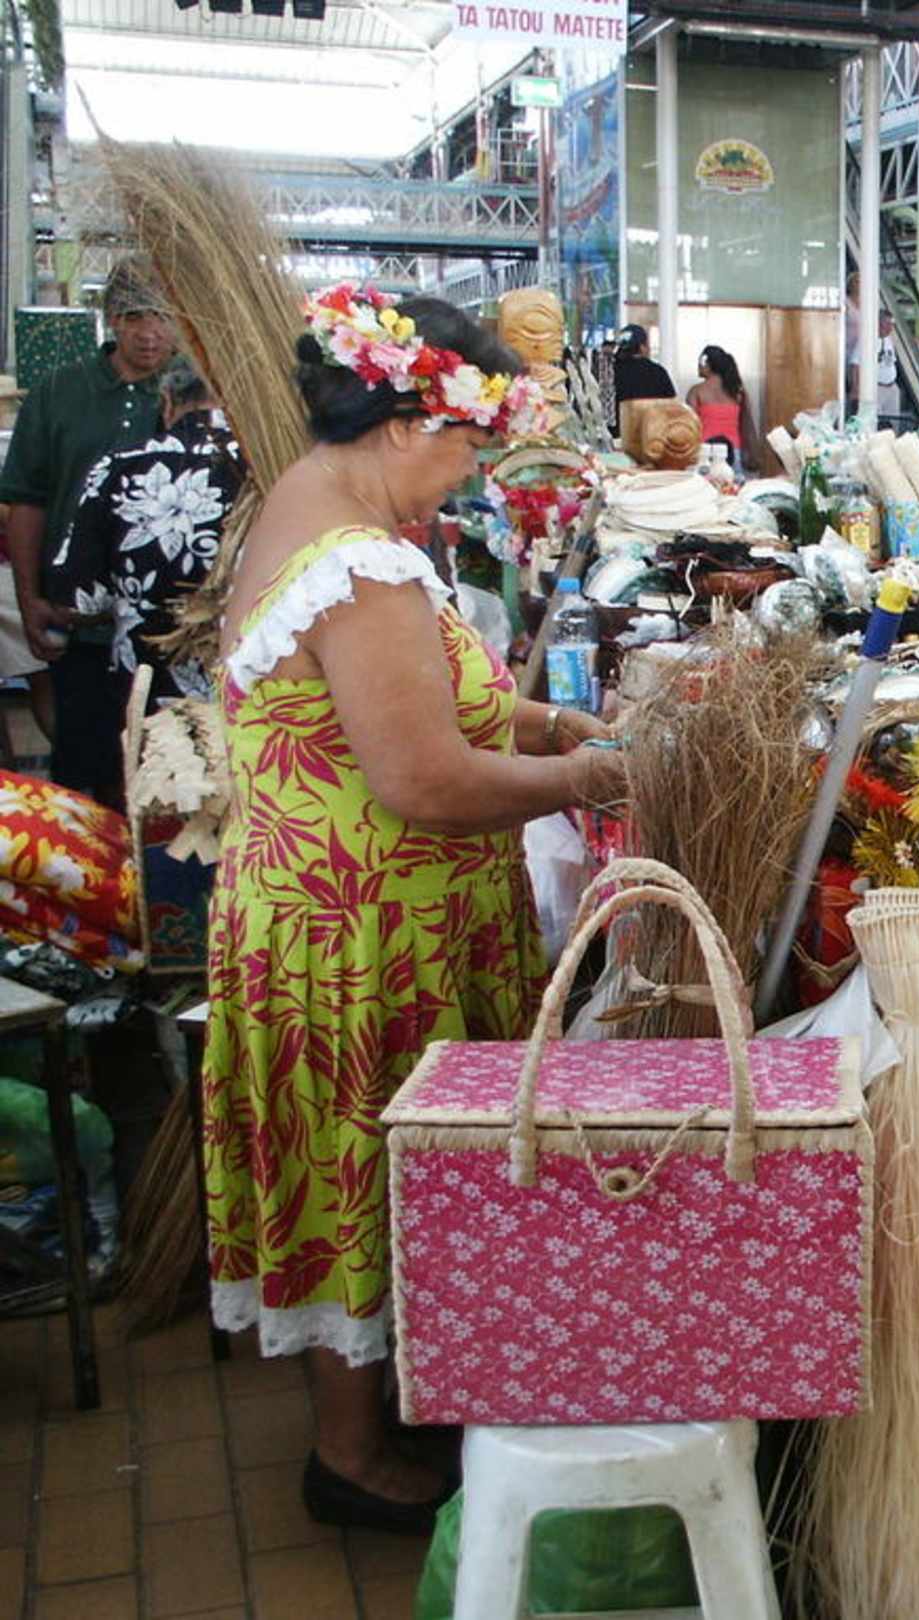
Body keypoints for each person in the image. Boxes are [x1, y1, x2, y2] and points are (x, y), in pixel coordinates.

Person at [201, 286, 625, 1533]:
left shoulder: (305, 504)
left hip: (322, 914)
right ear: (402, 426)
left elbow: (407, 705)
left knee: (370, 1173)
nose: (469, 476)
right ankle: (349, 1457)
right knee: (360, 1173)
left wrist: (550, 723)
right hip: (366, 938)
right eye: (466, 448)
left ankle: (400, 1396)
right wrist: (592, 779)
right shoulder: (362, 568)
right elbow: (426, 779)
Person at [0, 255, 175, 798]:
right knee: (82, 767)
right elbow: (27, 501)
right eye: (134, 317)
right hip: (80, 623)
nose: (149, 332)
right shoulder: (60, 392)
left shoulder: (193, 393)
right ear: (111, 318)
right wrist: (30, 599)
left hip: (171, 628)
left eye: (162, 317)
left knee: (171, 779)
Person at [47, 355, 243, 707]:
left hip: (146, 687)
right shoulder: (264, 467)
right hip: (243, 686)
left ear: (167, 401)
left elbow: (78, 599)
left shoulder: (119, 465)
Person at [685, 345, 759, 471]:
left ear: (708, 365)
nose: (698, 366)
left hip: (705, 450)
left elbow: (690, 426)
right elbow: (746, 425)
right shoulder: (737, 392)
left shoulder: (696, 391)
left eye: (700, 363)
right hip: (734, 450)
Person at [610, 324, 676, 430]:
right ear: (642, 347)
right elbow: (671, 406)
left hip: (618, 433)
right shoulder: (658, 372)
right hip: (652, 433)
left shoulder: (611, 372)